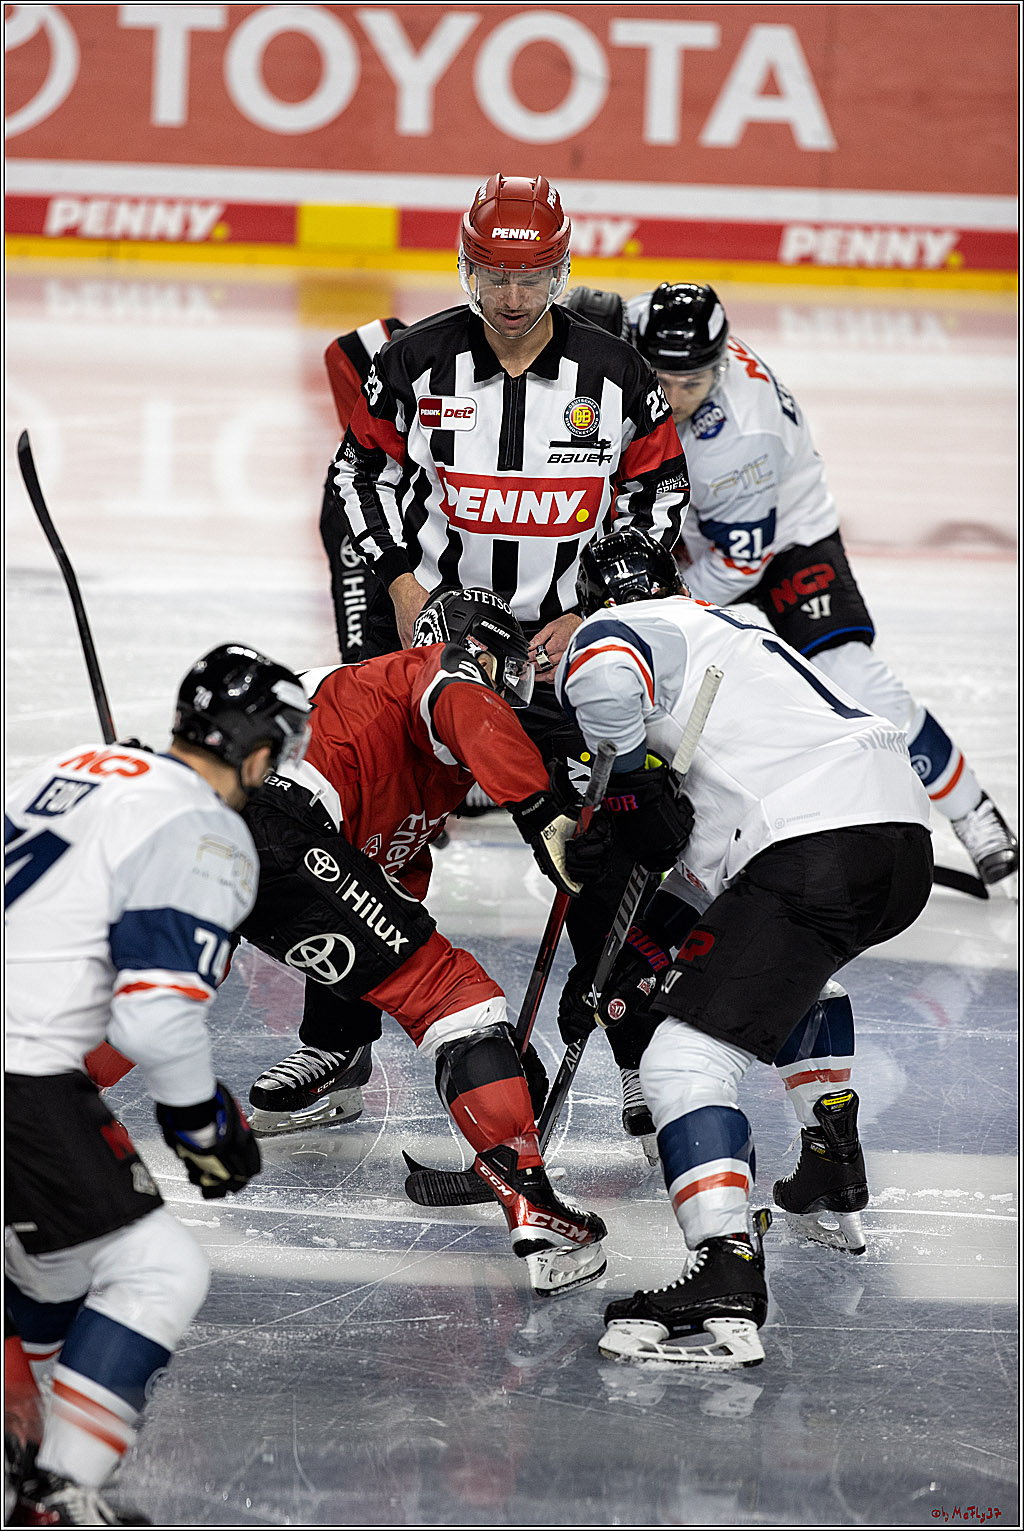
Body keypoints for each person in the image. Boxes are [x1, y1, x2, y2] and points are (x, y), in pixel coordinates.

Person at [327, 173, 691, 1140]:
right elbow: (358, 476)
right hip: (446, 651)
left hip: (566, 657)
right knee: (365, 835)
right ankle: (336, 1043)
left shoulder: (619, 377)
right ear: (467, 264)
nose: (514, 297)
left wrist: (603, 610)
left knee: (600, 854)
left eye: (532, 276)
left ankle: (638, 1051)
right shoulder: (413, 363)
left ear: (562, 271)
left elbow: (656, 502)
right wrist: (403, 583)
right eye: (494, 273)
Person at [554, 528, 934, 1369]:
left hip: (816, 842)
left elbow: (604, 669)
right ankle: (831, 1160)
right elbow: (716, 864)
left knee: (682, 1061)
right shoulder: (733, 637)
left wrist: (622, 783)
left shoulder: (619, 625)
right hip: (896, 839)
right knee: (797, 975)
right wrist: (650, 940)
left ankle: (723, 1266)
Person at [560, 281, 1018, 890]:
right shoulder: (639, 325)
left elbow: (739, 566)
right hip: (684, 519)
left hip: (777, 544)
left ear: (718, 369)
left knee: (854, 676)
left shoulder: (745, 441)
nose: (669, 396)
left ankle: (972, 809)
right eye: (659, 377)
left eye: (689, 383)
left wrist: (660, 612)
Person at [4, 644, 311, 1525]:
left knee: (57, 1266)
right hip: (20, 1069)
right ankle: (57, 1499)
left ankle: (33, 1458)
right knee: (156, 1265)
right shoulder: (206, 828)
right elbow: (152, 1018)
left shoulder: (66, 767)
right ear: (258, 750)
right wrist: (203, 1124)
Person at [238, 588, 607, 1298]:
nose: (511, 687)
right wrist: (544, 811)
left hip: (230, 833)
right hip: (281, 828)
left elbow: (383, 894)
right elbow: (461, 697)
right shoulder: (435, 672)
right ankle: (535, 1203)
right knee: (456, 999)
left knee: (150, 985)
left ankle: (39, 1125)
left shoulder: (398, 739)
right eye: (506, 664)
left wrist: (488, 1075)